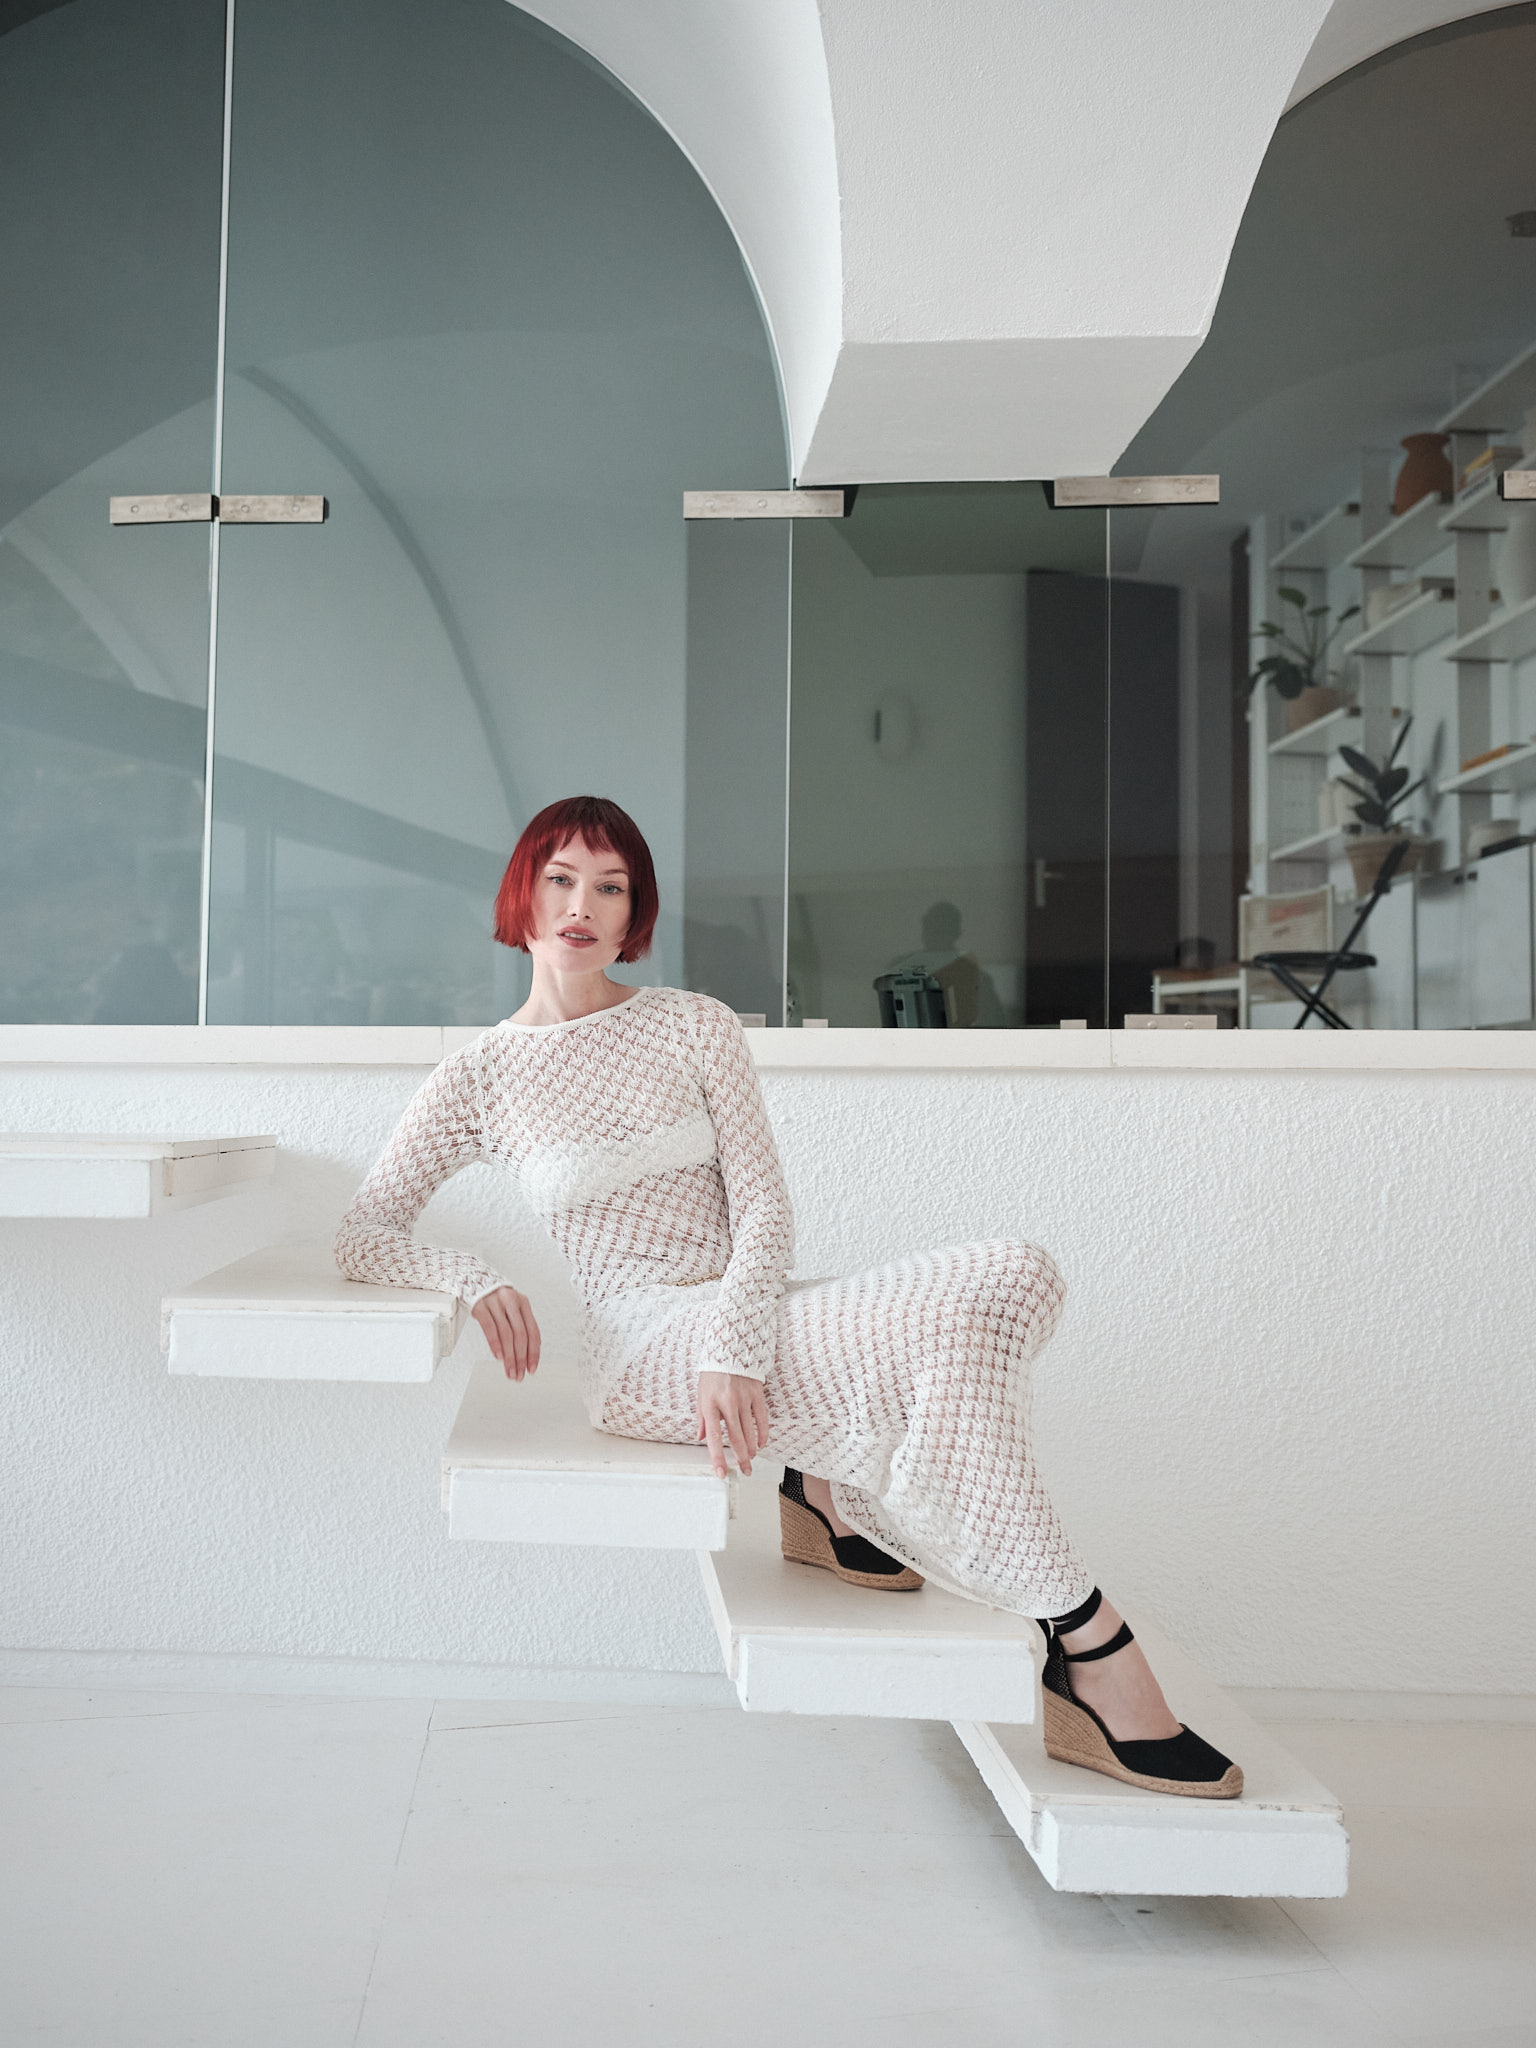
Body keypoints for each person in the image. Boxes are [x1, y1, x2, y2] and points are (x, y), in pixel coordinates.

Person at [336, 796, 1241, 1799]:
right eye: (560, 879)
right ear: (523, 891)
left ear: (636, 909)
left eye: (610, 886)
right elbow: (363, 1232)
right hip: (641, 1349)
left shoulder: (693, 1023)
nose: (582, 905)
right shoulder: (478, 1077)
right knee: (949, 1327)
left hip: (739, 1315)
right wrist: (474, 1277)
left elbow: (765, 1204)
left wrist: (735, 1344)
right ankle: (1086, 1638)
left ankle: (826, 1485)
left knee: (1016, 1272)